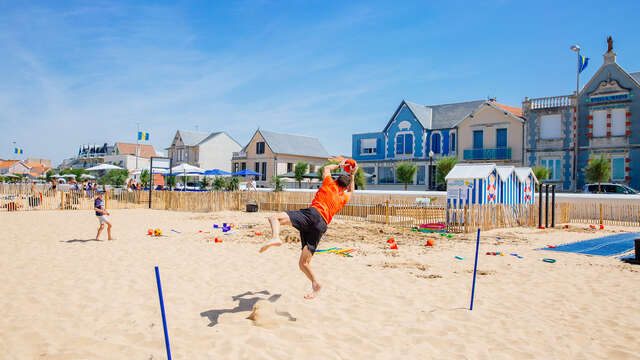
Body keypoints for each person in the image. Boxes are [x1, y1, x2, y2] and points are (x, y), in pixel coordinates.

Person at [259, 159, 357, 299]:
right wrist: (352, 174)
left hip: (313, 214)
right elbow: (351, 190)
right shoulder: (344, 197)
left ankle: (276, 237)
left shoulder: (329, 183)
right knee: (303, 263)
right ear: (345, 187)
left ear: (336, 180)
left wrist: (340, 165)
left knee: (274, 218)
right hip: (321, 226)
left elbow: (326, 169)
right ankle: (316, 284)